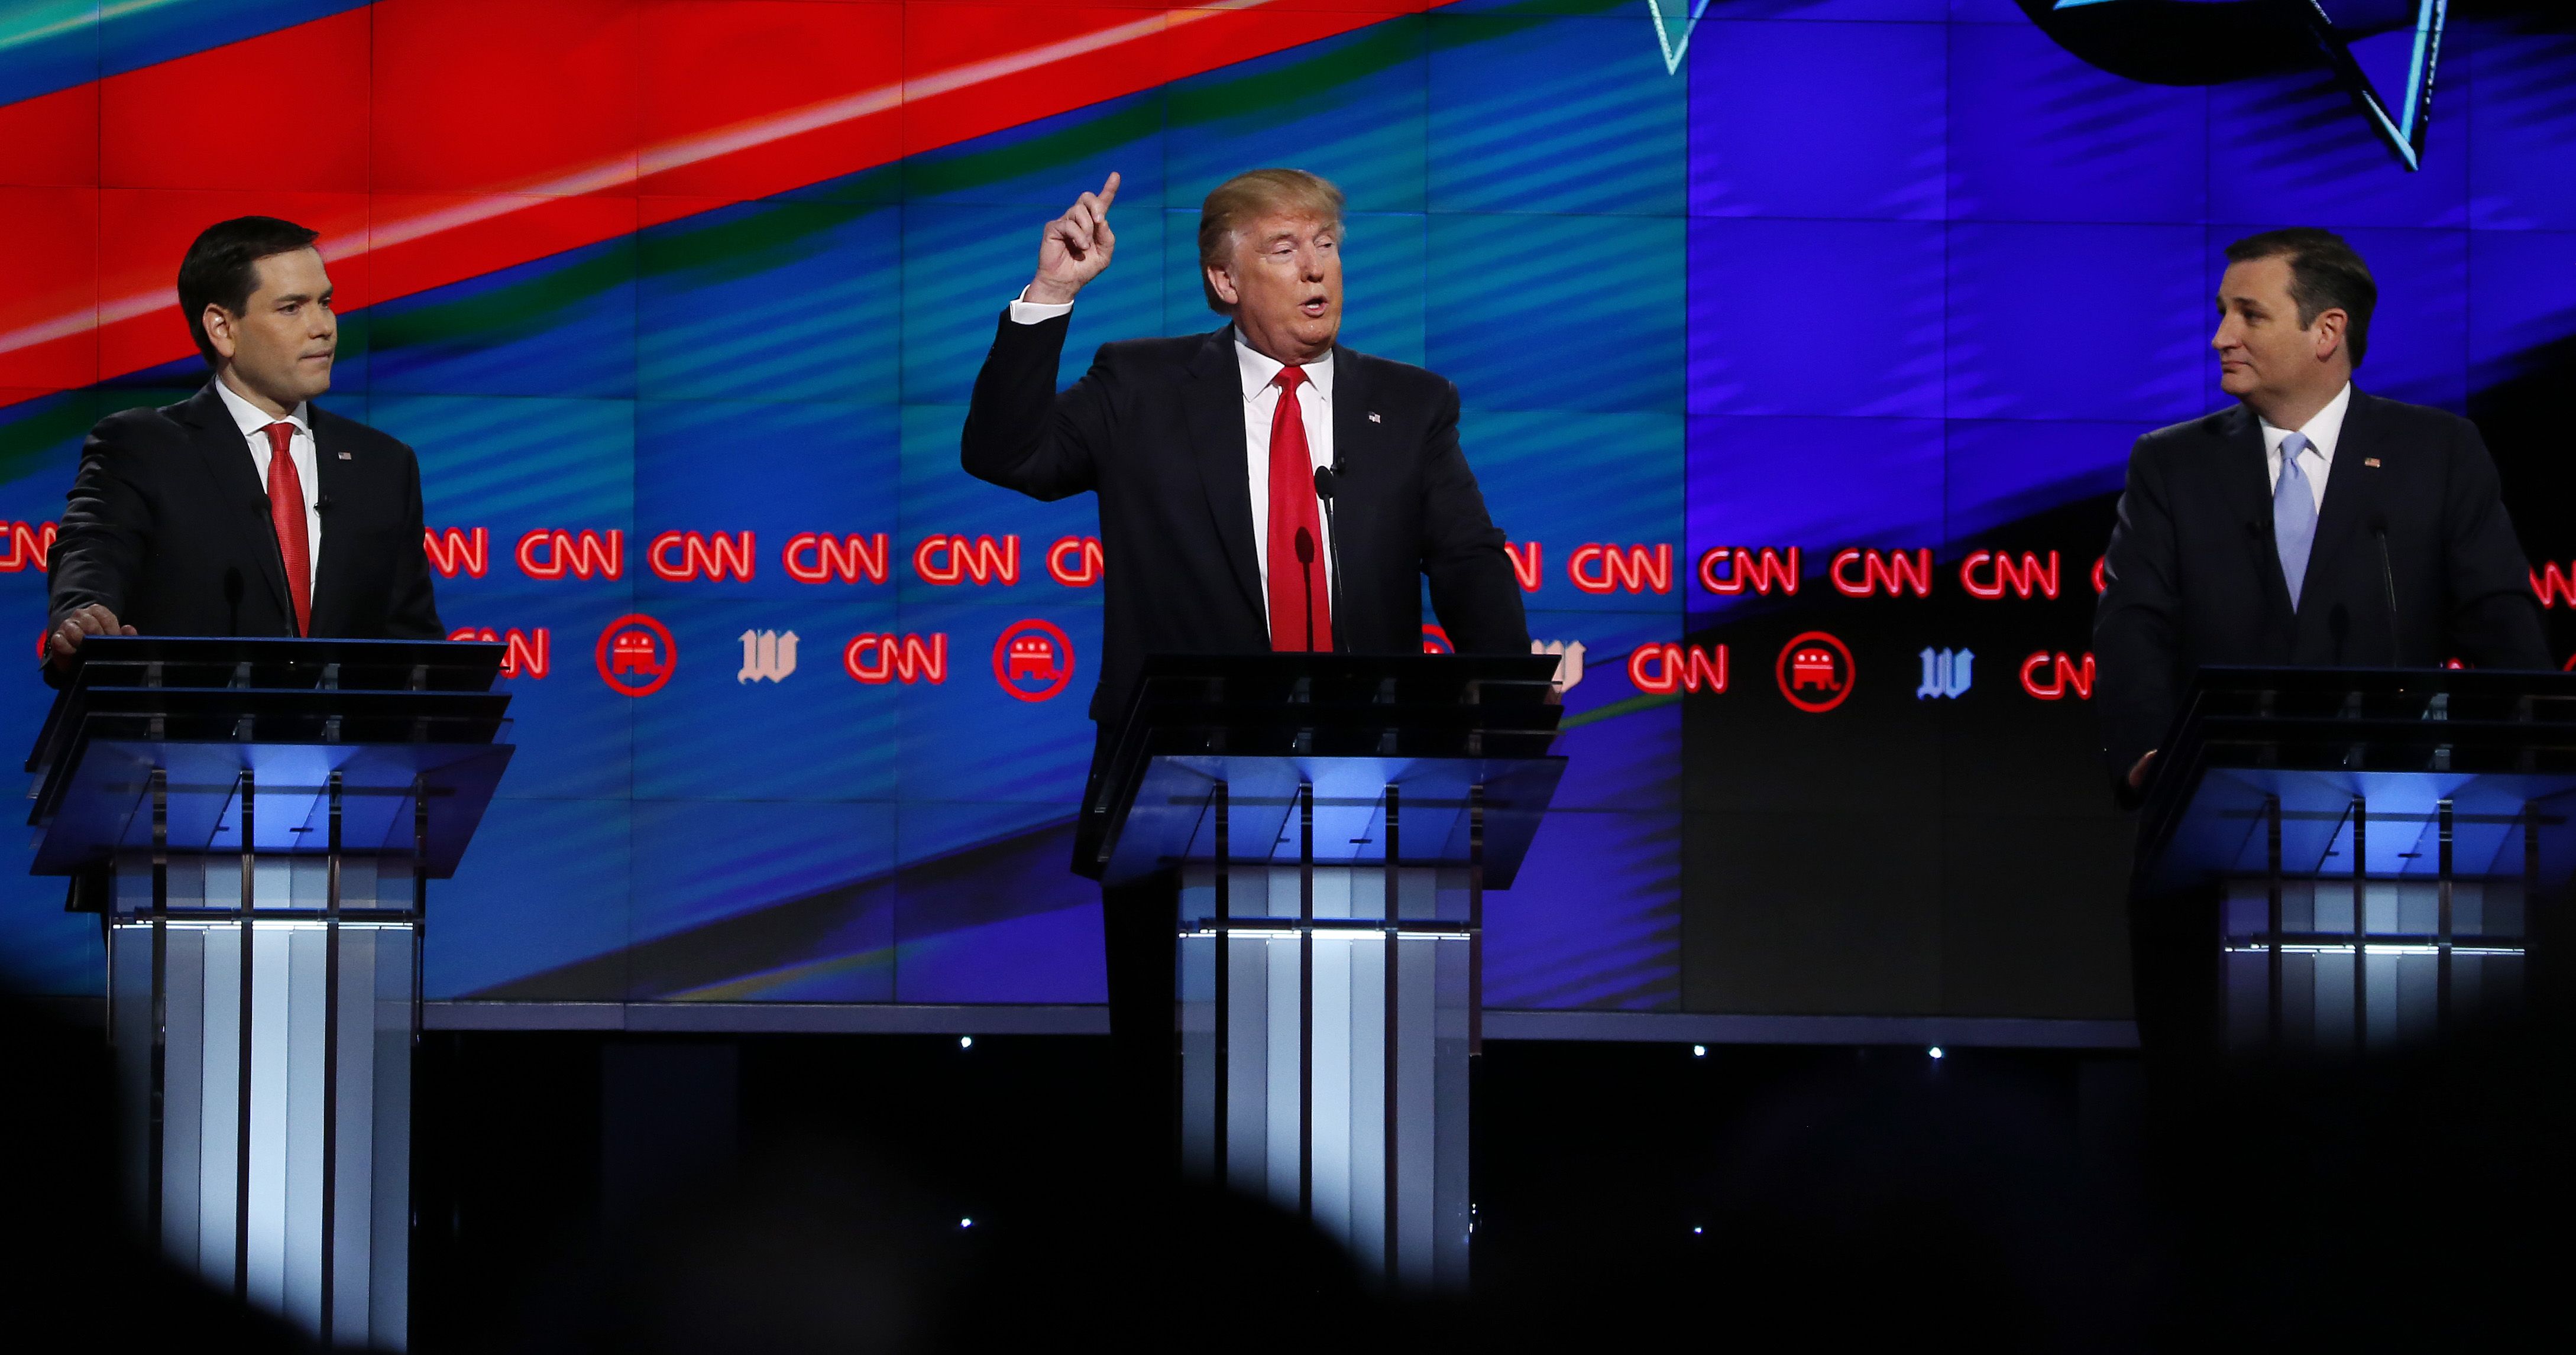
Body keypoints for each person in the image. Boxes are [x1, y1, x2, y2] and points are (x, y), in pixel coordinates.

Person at [962, 168, 1529, 1165]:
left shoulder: (1411, 403)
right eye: (1284, 248)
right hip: (1177, 798)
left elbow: (1468, 562)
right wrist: (1051, 292)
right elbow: (1009, 455)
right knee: (1176, 1098)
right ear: (1225, 281)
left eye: (1327, 245)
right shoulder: (1137, 386)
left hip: (1367, 796)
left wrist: (1508, 684)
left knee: (1360, 1102)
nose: (1317, 268)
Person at [2097, 227, 2549, 800]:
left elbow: (2501, 623)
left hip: (2394, 808)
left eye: (2250, 316)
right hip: (2214, 799)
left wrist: (2535, 759)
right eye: (2222, 313)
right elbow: (2134, 625)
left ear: (2327, 331)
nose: (2220, 338)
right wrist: (2150, 753)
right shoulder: (2171, 463)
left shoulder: (2437, 453)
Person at [46, 216, 443, 663]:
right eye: (292, 307)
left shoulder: (384, 464)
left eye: (326, 302)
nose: (324, 327)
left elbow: (414, 645)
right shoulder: (143, 446)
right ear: (222, 328)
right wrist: (82, 615)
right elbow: (93, 552)